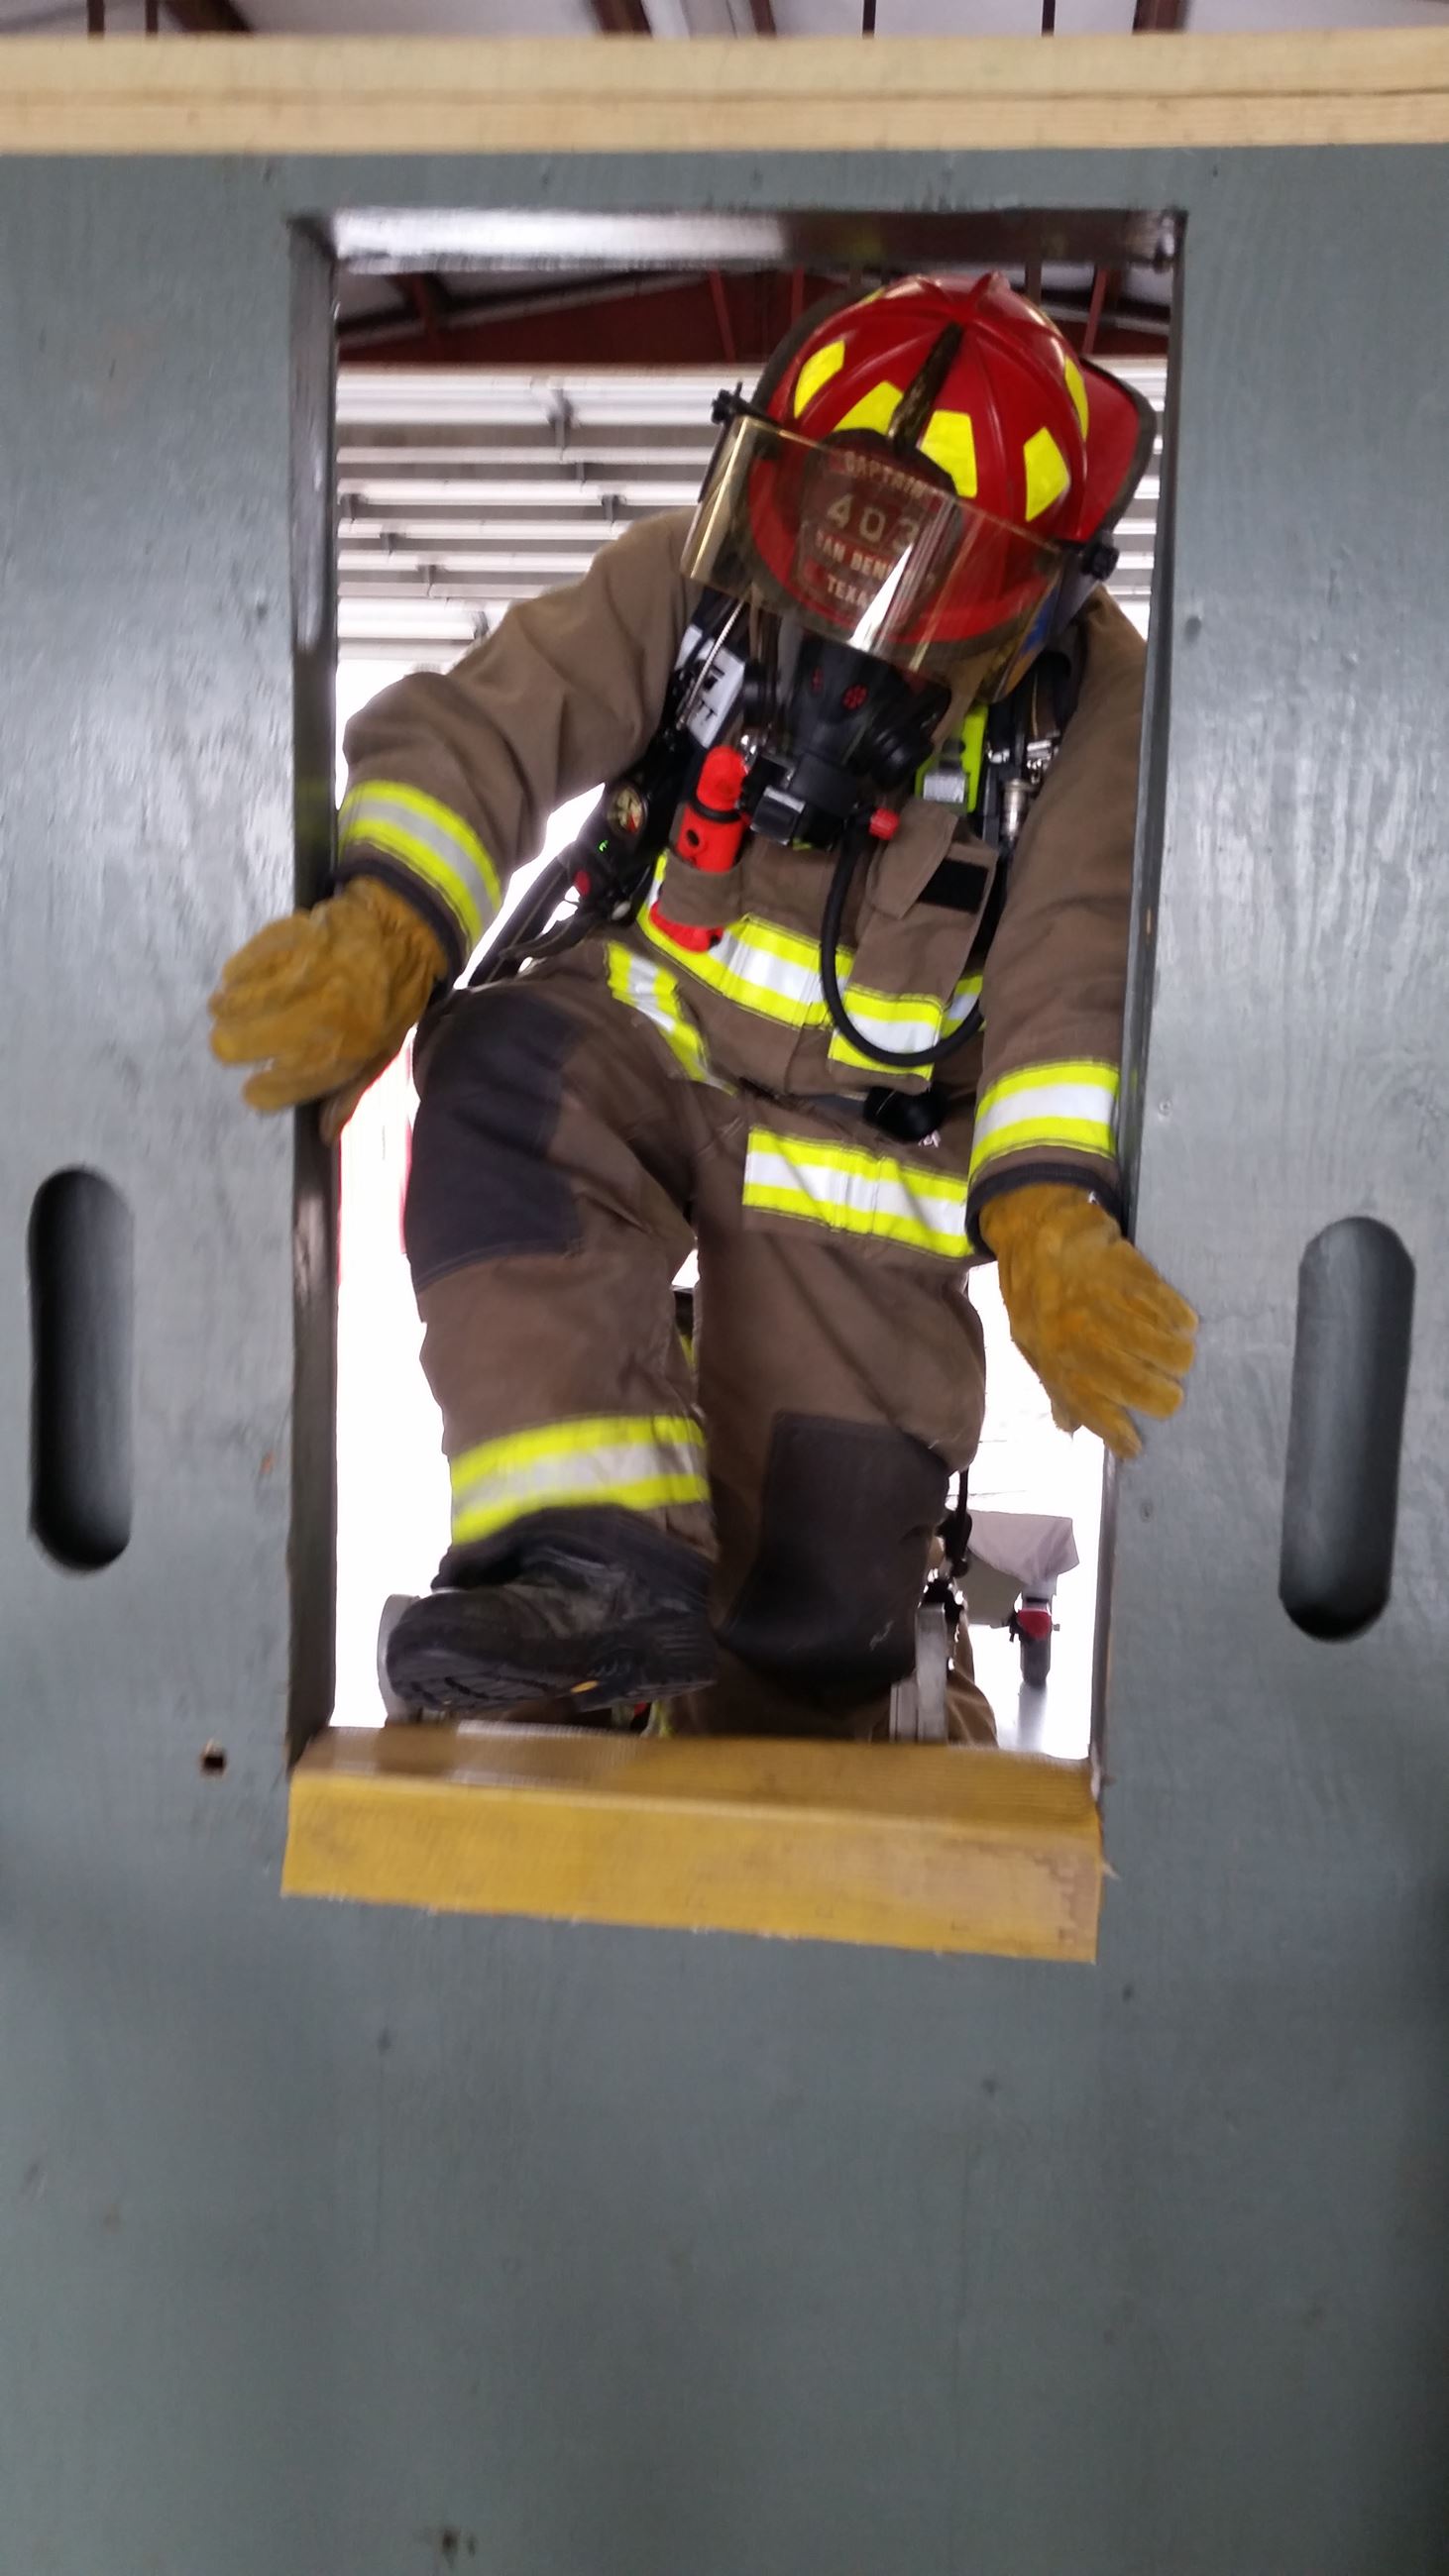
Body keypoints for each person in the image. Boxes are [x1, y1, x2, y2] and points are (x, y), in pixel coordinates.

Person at [210, 272, 1196, 1743]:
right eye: (834, 524)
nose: (848, 605)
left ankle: (829, 1759)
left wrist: (1049, 1208)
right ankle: (576, 1570)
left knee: (814, 1643)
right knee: (501, 1083)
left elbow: (1072, 969)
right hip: (636, 1056)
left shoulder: (1086, 706)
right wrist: (389, 921)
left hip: (874, 1178)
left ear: (1025, 598)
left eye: (924, 567)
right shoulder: (690, 575)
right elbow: (488, 721)